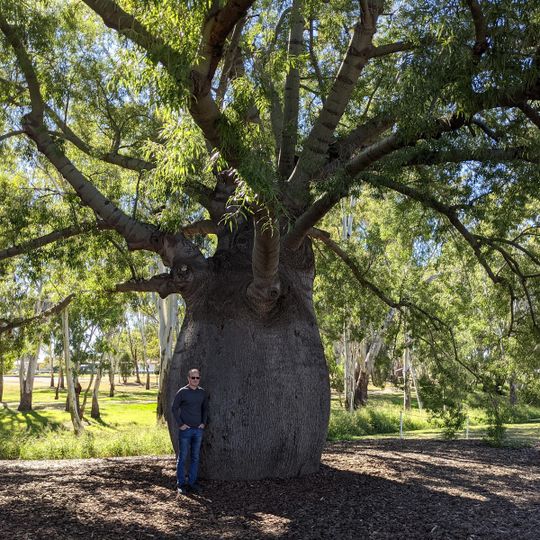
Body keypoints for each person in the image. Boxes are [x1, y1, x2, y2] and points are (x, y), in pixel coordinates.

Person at [171, 368, 208, 494]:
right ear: (188, 378)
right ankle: (181, 484)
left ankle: (192, 482)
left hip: (198, 430)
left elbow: (205, 409)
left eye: (197, 378)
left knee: (195, 457)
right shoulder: (182, 392)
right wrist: (180, 424)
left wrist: (203, 423)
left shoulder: (202, 392)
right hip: (185, 431)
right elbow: (174, 408)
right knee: (182, 458)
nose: (195, 380)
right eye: (193, 378)